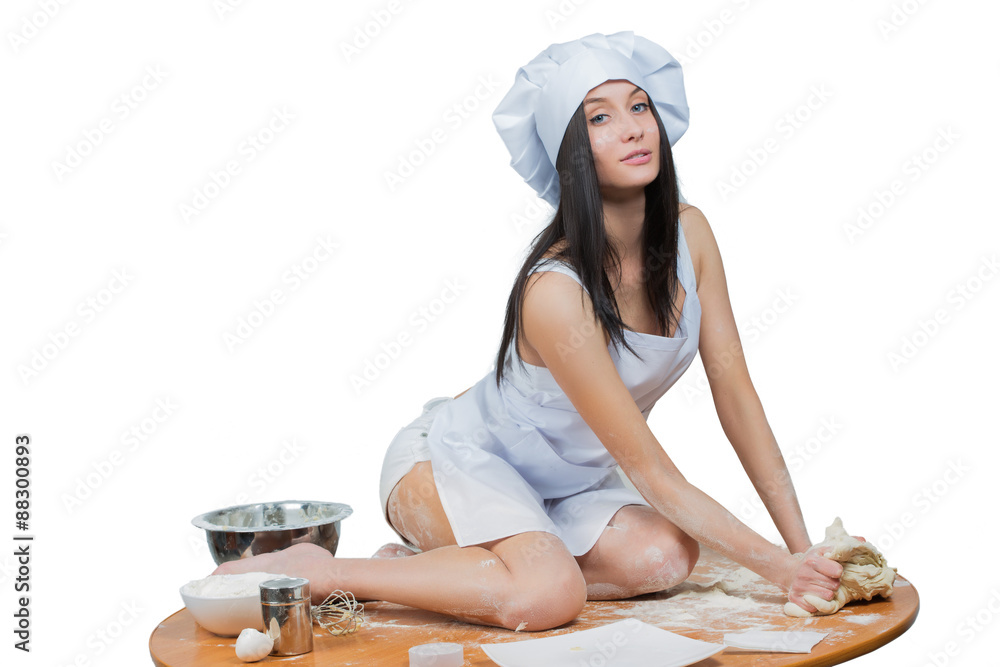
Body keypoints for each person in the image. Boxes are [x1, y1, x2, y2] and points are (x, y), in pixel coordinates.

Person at [214, 30, 845, 632]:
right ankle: (325, 572)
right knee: (550, 595)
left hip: (567, 485)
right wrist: (777, 570)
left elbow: (736, 395)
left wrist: (803, 550)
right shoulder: (555, 291)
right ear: (571, 152)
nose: (631, 128)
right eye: (599, 117)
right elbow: (653, 473)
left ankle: (438, 572)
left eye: (639, 106)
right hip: (455, 462)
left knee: (667, 557)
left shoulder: (691, 236)